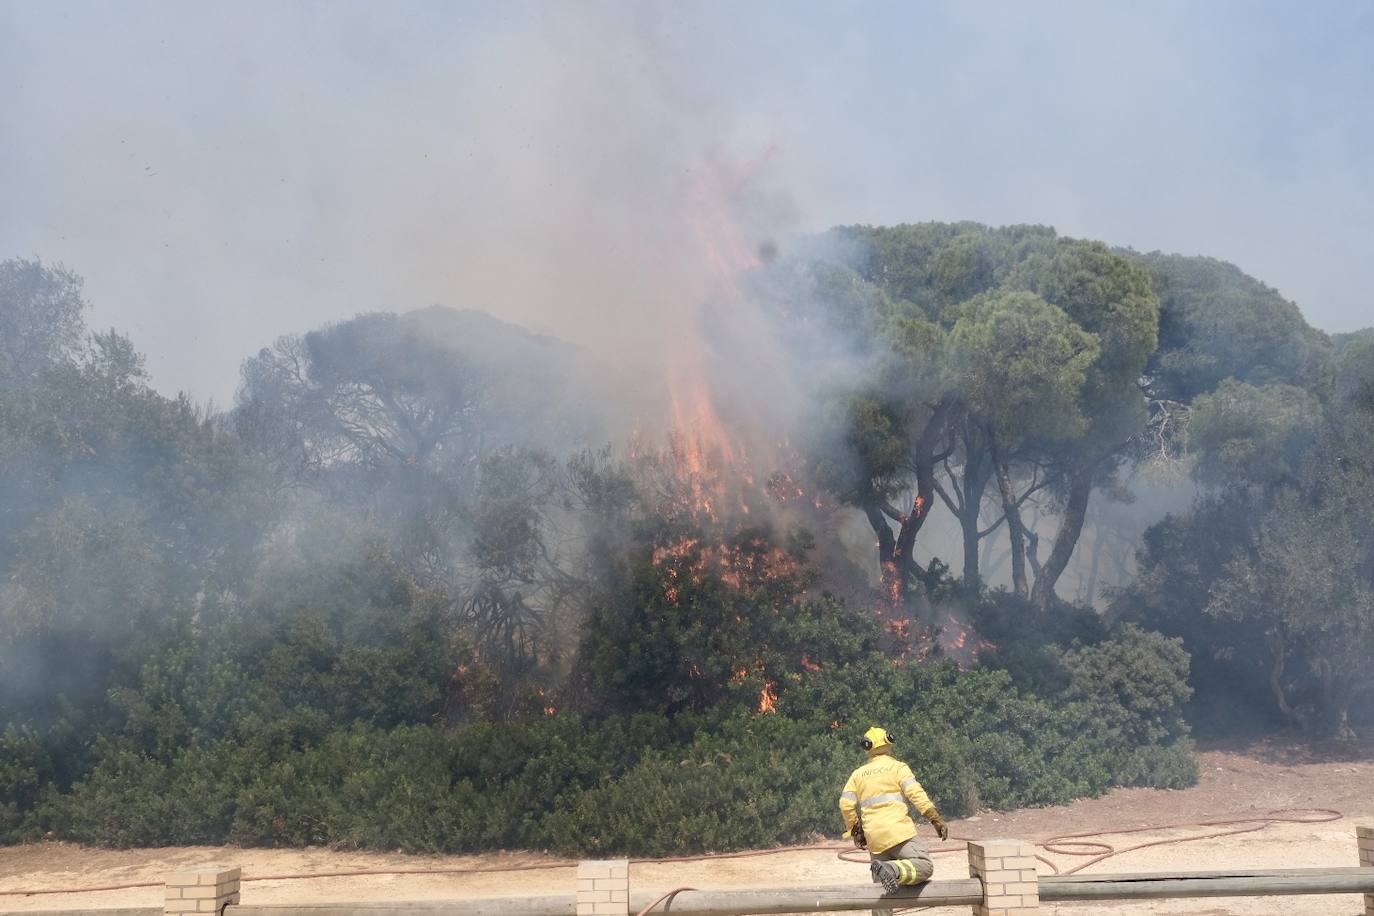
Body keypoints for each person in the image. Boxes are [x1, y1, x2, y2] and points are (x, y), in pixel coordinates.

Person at [838, 726, 949, 895]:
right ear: (889, 742)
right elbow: (915, 793)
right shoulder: (898, 768)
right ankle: (891, 869)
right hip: (898, 833)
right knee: (924, 866)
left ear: (867, 748)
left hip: (874, 838)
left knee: (881, 891)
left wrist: (855, 830)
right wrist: (934, 817)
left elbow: (845, 804)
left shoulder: (858, 774)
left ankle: (886, 871)